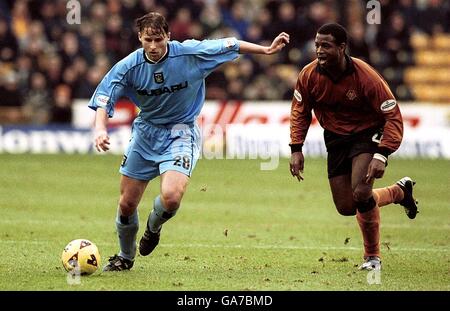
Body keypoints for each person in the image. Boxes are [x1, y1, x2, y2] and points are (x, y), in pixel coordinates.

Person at [89, 12, 289, 271]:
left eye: (158, 39)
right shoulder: (128, 66)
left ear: (168, 37)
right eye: (147, 39)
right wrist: (100, 129)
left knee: (171, 196)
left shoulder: (191, 53)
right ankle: (125, 257)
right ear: (139, 37)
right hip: (146, 134)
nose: (153, 46)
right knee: (127, 203)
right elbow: (105, 98)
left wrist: (265, 49)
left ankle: (153, 227)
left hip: (181, 132)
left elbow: (231, 43)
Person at [289, 23, 418, 271]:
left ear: (342, 47)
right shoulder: (308, 75)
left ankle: (373, 258)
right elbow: (300, 112)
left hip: (367, 134)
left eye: (325, 45)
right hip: (336, 138)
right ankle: (399, 192)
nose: (319, 50)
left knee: (360, 193)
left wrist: (382, 153)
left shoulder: (365, 76)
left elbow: (393, 116)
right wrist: (296, 148)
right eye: (317, 45)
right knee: (347, 206)